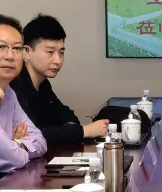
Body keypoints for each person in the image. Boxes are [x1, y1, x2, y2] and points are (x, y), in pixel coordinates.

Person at [9, 14, 109, 145]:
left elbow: (68, 117)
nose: (58, 60)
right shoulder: (14, 85)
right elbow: (33, 135)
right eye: (50, 52)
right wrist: (83, 131)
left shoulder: (43, 84)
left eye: (61, 52)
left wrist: (68, 130)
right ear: (27, 52)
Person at [0, 14, 47, 173]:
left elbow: (40, 142)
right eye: (0, 47)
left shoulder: (9, 93)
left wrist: (15, 144)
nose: (10, 56)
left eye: (17, 48)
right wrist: (13, 146)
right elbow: (13, 159)